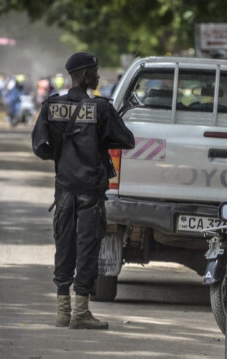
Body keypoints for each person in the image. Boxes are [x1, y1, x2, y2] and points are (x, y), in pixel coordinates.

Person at [31, 52, 135, 330]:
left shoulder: (51, 105)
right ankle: (81, 313)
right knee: (88, 250)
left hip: (64, 190)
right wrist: (101, 137)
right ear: (85, 75)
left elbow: (40, 148)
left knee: (63, 248)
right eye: (96, 72)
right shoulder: (101, 108)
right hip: (90, 191)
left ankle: (62, 312)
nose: (98, 76)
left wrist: (62, 153)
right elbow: (127, 140)